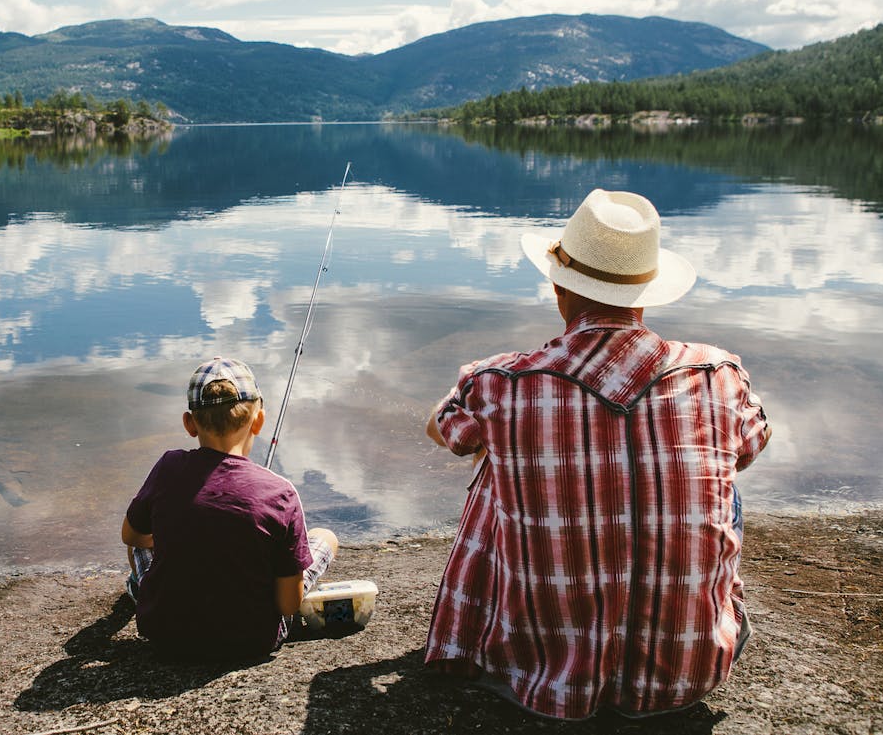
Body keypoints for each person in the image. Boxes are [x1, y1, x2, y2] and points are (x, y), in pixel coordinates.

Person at [423, 189, 770, 720]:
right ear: (644, 294)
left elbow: (441, 429)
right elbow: (748, 449)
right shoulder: (717, 374)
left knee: (499, 462)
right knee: (720, 473)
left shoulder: (501, 381)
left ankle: (501, 640)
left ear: (561, 288)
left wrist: (515, 433)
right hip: (690, 673)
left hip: (539, 681)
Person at [121, 356, 339, 658]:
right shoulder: (282, 493)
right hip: (252, 639)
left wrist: (179, 539)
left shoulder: (168, 466)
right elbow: (288, 605)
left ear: (189, 423)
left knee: (143, 541)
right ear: (259, 421)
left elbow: (131, 537)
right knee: (326, 537)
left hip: (165, 634)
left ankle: (140, 590)